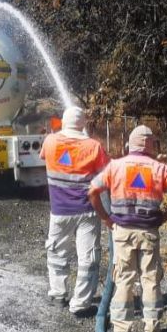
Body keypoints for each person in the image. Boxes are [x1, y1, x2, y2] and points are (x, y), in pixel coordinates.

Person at [88, 125, 167, 332]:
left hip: (122, 231)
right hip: (149, 231)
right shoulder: (159, 168)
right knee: (150, 279)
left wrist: (105, 217)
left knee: (124, 278)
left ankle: (122, 330)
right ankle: (152, 330)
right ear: (149, 144)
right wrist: (165, 216)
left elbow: (92, 191)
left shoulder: (115, 166)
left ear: (130, 143)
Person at [39, 106, 111, 316]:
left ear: (63, 121)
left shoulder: (50, 141)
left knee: (56, 251)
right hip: (87, 211)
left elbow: (44, 156)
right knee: (87, 257)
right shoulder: (93, 146)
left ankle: (58, 294)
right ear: (83, 123)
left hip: (59, 210)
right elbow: (106, 170)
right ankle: (80, 304)